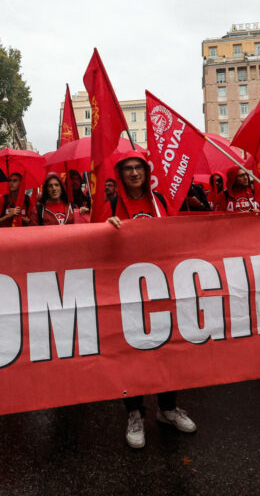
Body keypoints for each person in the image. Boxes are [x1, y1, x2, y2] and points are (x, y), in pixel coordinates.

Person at [106, 152, 197, 448]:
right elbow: (93, 243)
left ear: (146, 172)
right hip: (127, 290)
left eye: (138, 168)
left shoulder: (159, 201)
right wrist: (106, 228)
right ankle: (134, 413)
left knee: (166, 349)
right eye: (128, 169)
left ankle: (167, 408)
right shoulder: (110, 204)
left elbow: (178, 237)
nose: (134, 173)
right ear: (121, 174)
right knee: (134, 352)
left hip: (161, 286)